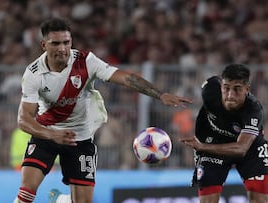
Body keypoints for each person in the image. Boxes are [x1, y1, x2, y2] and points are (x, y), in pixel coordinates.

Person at [12, 17, 192, 203]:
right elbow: (23, 119)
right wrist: (51, 135)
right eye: (55, 43)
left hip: (79, 139)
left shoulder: (86, 62)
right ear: (44, 45)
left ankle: (61, 200)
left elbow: (125, 78)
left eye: (66, 42)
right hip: (46, 136)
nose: (62, 48)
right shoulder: (34, 73)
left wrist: (160, 94)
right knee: (27, 191)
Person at [180, 64, 268, 203]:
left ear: (247, 89)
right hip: (214, 141)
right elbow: (202, 115)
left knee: (259, 200)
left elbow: (241, 149)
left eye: (237, 89)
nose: (230, 95)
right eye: (226, 88)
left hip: (248, 146)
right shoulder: (209, 89)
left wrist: (202, 147)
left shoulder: (253, 110)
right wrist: (201, 145)